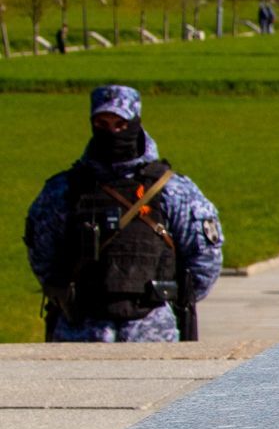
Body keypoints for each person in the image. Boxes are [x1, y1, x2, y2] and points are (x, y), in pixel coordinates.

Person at [25, 86, 223, 341]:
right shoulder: (64, 190)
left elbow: (205, 259)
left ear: (135, 123)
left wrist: (168, 301)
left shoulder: (173, 190)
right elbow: (42, 255)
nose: (112, 132)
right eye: (102, 123)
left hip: (151, 332)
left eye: (120, 124)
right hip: (79, 333)